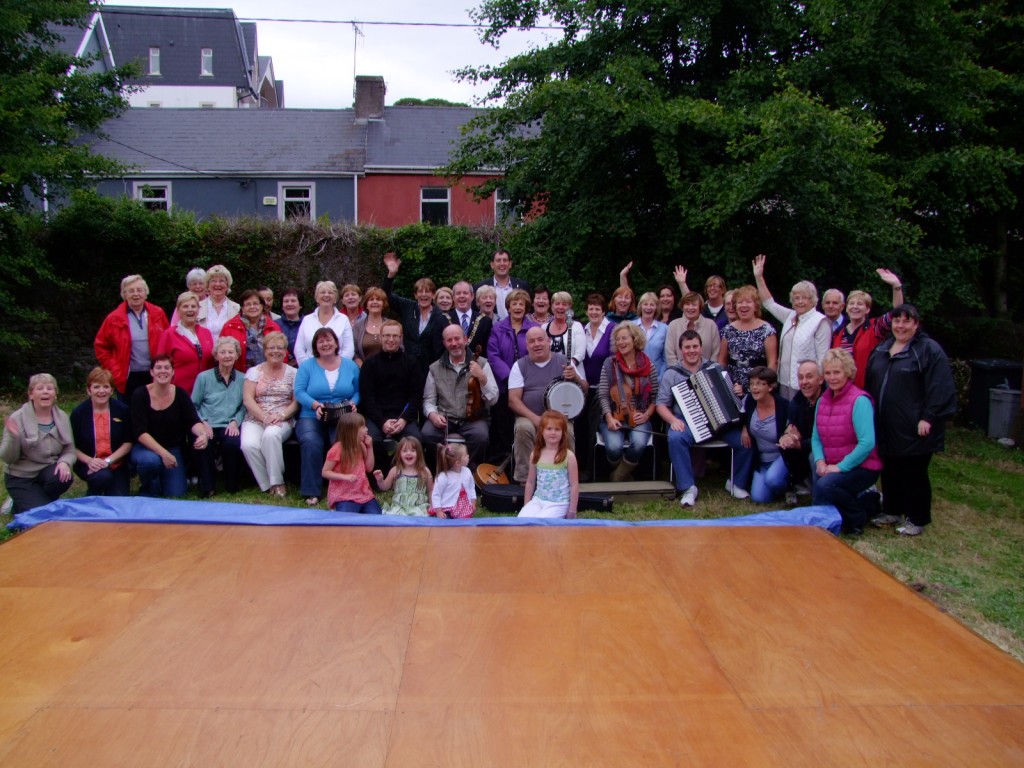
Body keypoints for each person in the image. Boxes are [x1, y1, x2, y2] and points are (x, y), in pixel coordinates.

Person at [865, 304, 957, 536]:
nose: (901, 326)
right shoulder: (883, 348)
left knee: (914, 473)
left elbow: (940, 387)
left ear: (916, 324)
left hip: (917, 427)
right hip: (886, 424)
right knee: (891, 470)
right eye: (897, 321)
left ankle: (917, 518)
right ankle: (892, 511)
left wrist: (928, 417)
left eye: (907, 321)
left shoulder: (928, 350)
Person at [656, 331, 755, 506]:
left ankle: (735, 483)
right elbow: (661, 404)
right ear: (681, 350)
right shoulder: (672, 373)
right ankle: (688, 488)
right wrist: (672, 420)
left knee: (745, 439)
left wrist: (737, 392)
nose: (691, 350)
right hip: (687, 421)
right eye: (687, 347)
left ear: (701, 348)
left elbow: (731, 399)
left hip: (720, 421)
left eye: (695, 346)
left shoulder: (715, 368)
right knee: (676, 437)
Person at [811, 348, 883, 535]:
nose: (832, 377)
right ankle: (822, 520)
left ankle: (857, 518)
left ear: (848, 373)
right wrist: (820, 461)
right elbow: (816, 437)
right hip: (832, 463)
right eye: (828, 373)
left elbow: (867, 443)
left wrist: (840, 467)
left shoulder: (859, 401)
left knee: (826, 485)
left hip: (863, 466)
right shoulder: (822, 401)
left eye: (837, 372)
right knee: (818, 472)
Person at [508, 326, 588, 484]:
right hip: (530, 416)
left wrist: (575, 378)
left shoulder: (564, 361)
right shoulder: (519, 365)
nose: (537, 344)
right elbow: (513, 400)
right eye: (532, 341)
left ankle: (565, 479)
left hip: (559, 418)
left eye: (540, 339)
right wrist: (535, 418)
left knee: (568, 430)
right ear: (527, 345)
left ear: (548, 341)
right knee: (523, 428)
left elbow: (585, 389)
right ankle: (525, 480)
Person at [294, 328, 360, 505]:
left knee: (341, 443)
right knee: (311, 441)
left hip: (341, 415)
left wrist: (353, 402)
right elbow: (299, 392)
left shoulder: (350, 365)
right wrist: (315, 404)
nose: (325, 344)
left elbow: (358, 391)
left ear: (336, 343)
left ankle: (347, 486)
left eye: (328, 340)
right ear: (315, 346)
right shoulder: (307, 366)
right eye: (320, 341)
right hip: (311, 414)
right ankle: (311, 491)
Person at [130, 354, 209, 498]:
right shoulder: (140, 395)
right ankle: (148, 486)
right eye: (158, 367)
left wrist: (202, 434)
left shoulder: (180, 394)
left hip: (173, 448)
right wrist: (164, 454)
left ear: (173, 372)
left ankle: (161, 478)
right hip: (145, 448)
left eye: (167, 367)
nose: (163, 371)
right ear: (151, 372)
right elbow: (140, 432)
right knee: (150, 462)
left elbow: (193, 421)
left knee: (176, 493)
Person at [753, 254, 831, 399]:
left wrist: (817, 386)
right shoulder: (790, 316)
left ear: (813, 300)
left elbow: (823, 359)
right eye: (796, 298)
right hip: (784, 383)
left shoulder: (821, 322)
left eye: (804, 298)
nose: (800, 302)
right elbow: (769, 304)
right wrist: (759, 277)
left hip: (806, 385)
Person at [422, 323, 498, 466]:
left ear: (465, 339)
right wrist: (432, 415)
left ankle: (468, 470)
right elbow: (429, 400)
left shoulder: (481, 364)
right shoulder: (435, 367)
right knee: (427, 434)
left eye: (457, 339)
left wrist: (482, 378)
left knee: (480, 437)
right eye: (449, 340)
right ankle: (445, 468)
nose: (454, 343)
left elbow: (493, 399)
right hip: (446, 418)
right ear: (444, 343)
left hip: (474, 418)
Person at [2, 374, 75, 514]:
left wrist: (65, 462)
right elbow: (8, 458)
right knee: (42, 514)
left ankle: (30, 500)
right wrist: (13, 437)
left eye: (50, 388)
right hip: (20, 477)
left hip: (47, 472)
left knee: (63, 478)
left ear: (55, 394)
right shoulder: (17, 418)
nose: (45, 391)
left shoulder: (63, 417)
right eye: (40, 388)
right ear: (31, 395)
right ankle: (18, 502)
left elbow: (70, 449)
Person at [598, 323, 659, 482]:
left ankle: (617, 477)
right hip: (613, 415)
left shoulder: (648, 365)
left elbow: (655, 397)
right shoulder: (609, 364)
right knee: (613, 447)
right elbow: (603, 394)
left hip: (639, 416)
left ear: (635, 339)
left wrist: (646, 415)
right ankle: (626, 475)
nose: (620, 342)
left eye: (624, 338)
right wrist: (609, 418)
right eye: (617, 339)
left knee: (639, 444)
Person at [94, 274, 169, 400]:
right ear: (124, 295)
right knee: (128, 413)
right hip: (127, 376)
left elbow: (168, 340)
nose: (136, 294)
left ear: (146, 293)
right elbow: (101, 346)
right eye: (131, 291)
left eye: (139, 290)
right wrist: (114, 369)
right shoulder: (113, 318)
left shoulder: (158, 313)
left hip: (155, 373)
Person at [241, 331, 297, 498]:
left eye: (280, 348)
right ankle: (266, 483)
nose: (276, 351)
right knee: (248, 445)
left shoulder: (293, 373)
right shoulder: (254, 371)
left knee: (271, 436)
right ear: (265, 351)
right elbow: (248, 400)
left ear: (286, 351)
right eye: (271, 348)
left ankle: (277, 482)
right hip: (256, 418)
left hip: (282, 418)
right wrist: (264, 417)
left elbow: (296, 402)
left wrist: (281, 415)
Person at [191, 337, 246, 497]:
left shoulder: (243, 378)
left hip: (229, 424)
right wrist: (203, 423)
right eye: (222, 352)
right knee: (204, 444)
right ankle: (208, 487)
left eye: (231, 352)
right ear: (216, 356)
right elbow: (194, 404)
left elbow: (244, 405)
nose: (227, 356)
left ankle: (232, 485)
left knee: (232, 444)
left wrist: (236, 422)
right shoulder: (204, 377)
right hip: (208, 423)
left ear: (237, 355)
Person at [358, 320, 424, 452]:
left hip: (403, 417)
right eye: (387, 335)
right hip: (377, 417)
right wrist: (382, 422)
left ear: (401, 338)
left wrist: (404, 419)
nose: (391, 339)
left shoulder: (411, 363)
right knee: (371, 441)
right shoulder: (370, 364)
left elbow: (416, 396)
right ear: (381, 337)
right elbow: (367, 398)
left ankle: (407, 472)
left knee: (415, 441)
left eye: (395, 336)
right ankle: (379, 473)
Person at [833, 269, 905, 388]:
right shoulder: (838, 333)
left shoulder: (875, 327)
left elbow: (897, 312)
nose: (855, 307)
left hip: (868, 388)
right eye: (852, 303)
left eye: (860, 304)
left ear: (867, 310)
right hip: (841, 389)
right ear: (846, 308)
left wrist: (896, 286)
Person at [70, 367, 133, 497]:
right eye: (96, 387)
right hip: (89, 463)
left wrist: (108, 461)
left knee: (119, 499)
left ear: (112, 390)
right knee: (102, 477)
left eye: (106, 387)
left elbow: (128, 442)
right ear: (89, 390)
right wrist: (90, 461)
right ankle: (94, 492)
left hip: (116, 463)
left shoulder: (122, 410)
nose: (101, 391)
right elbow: (72, 446)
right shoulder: (79, 413)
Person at [382, 252, 446, 370]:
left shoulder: (440, 315)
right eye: (420, 292)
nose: (424, 295)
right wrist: (391, 275)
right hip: (406, 366)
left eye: (427, 291)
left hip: (430, 369)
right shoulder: (407, 307)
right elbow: (385, 296)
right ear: (415, 295)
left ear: (433, 295)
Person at [740, 367, 791, 504]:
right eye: (751, 384)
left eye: (759, 384)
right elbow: (742, 417)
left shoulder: (784, 406)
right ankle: (772, 483)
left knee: (773, 480)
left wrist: (788, 436)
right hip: (762, 461)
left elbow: (792, 429)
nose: (754, 388)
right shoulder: (750, 401)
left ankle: (788, 486)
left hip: (781, 457)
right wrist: (745, 428)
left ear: (770, 387)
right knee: (759, 498)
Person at [718, 285, 778, 397]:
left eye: (748, 302)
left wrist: (765, 386)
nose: (744, 305)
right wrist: (726, 384)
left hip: (759, 386)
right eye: (740, 302)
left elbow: (772, 363)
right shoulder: (728, 330)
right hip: (733, 386)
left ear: (756, 306)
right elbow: (722, 361)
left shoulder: (767, 330)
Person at [778, 360, 825, 501]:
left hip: (822, 449)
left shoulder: (828, 402)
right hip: (799, 450)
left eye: (809, 377)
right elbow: (790, 428)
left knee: (813, 457)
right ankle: (794, 485)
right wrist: (786, 437)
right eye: (800, 377)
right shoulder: (796, 403)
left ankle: (819, 500)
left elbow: (825, 438)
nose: (804, 382)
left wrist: (800, 444)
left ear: (821, 379)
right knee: (772, 482)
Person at [518, 410, 579, 519]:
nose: (553, 432)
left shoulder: (568, 456)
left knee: (541, 523)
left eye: (557, 429)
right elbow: (530, 482)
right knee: (522, 520)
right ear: (541, 431)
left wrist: (572, 510)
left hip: (558, 503)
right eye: (549, 429)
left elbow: (574, 485)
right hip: (538, 500)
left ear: (563, 433)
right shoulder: (535, 454)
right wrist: (526, 505)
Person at [322, 411, 380, 514]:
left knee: (376, 516)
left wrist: (370, 447)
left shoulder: (361, 446)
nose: (367, 429)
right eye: (363, 427)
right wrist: (345, 477)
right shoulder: (337, 449)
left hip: (363, 493)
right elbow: (325, 472)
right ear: (352, 431)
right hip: (344, 495)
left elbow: (369, 468)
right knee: (347, 519)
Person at [157, 291, 214, 395]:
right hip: (178, 391)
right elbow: (160, 365)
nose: (190, 309)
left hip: (205, 391)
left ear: (198, 310)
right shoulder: (169, 334)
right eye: (185, 306)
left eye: (193, 306)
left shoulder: (206, 333)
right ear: (178, 311)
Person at [293, 280, 355, 366]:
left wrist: (336, 367)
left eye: (330, 292)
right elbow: (299, 348)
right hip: (310, 371)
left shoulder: (343, 320)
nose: (326, 295)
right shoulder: (307, 320)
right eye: (322, 292)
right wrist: (308, 368)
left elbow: (349, 349)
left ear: (335, 298)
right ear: (316, 298)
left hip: (337, 370)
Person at [221, 289, 284, 372]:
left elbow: (283, 351)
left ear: (261, 306)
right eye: (248, 304)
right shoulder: (230, 327)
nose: (252, 307)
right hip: (240, 376)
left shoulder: (273, 327)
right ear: (242, 308)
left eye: (255, 303)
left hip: (269, 374)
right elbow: (221, 353)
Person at [373, 436, 433, 517]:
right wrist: (380, 480)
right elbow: (385, 487)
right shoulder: (396, 470)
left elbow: (431, 491)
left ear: (418, 453)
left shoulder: (425, 471)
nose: (408, 453)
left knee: (421, 517)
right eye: (405, 451)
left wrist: (433, 506)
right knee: (394, 517)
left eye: (413, 450)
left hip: (419, 507)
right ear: (399, 453)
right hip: (399, 507)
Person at [473, 248, 531, 321]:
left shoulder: (522, 285)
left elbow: (528, 310)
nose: (502, 263)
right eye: (498, 260)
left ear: (510, 264)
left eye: (505, 260)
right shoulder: (480, 287)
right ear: (492, 264)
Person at [665, 291, 720, 367]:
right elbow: (670, 354)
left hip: (706, 373)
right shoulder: (673, 325)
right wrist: (679, 371)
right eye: (687, 304)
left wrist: (708, 371)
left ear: (700, 307)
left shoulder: (711, 325)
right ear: (682, 306)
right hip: (679, 374)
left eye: (694, 304)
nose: (690, 308)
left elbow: (715, 353)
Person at [441, 280, 492, 360]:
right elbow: (438, 350)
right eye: (458, 293)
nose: (462, 296)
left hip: (477, 367)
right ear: (453, 297)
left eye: (465, 293)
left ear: (472, 296)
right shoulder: (442, 320)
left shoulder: (485, 321)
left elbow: (488, 351)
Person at [429, 442, 476, 518]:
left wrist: (473, 502)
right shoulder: (443, 477)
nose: (468, 456)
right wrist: (438, 511)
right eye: (465, 455)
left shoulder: (467, 471)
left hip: (463, 508)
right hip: (446, 508)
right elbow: (436, 495)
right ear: (457, 462)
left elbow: (471, 487)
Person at [630, 292, 669, 378]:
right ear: (640, 306)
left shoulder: (664, 329)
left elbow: (666, 358)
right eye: (645, 304)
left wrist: (661, 378)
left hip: (657, 377)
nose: (648, 307)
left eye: (652, 305)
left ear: (656, 308)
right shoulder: (631, 327)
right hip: (635, 377)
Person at [197, 265, 239, 342]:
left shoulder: (237, 308)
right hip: (203, 353)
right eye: (213, 281)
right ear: (208, 285)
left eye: (221, 281)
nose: (217, 284)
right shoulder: (197, 307)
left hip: (228, 353)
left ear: (227, 285)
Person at [545, 291, 586, 366]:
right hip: (549, 374)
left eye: (564, 304)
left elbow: (580, 353)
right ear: (551, 306)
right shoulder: (544, 328)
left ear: (569, 307)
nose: (560, 307)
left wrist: (568, 366)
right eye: (557, 304)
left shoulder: (577, 326)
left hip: (573, 373)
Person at [352, 287, 390, 365]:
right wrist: (364, 368)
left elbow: (400, 349)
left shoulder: (391, 325)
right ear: (366, 305)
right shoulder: (358, 325)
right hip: (365, 372)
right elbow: (354, 352)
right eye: (371, 299)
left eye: (378, 299)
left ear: (383, 304)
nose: (375, 302)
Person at [277, 288, 303, 361]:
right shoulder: (275, 325)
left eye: (293, 301)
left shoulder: (308, 323)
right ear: (282, 306)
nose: (289, 304)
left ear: (300, 305)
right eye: (286, 301)